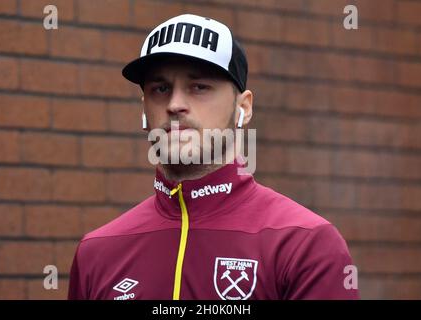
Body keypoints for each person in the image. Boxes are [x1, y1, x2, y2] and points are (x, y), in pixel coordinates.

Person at [68, 14, 359, 300]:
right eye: (160, 88)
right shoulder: (97, 252)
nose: (175, 104)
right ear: (144, 108)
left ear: (243, 108)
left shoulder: (305, 244)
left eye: (199, 87)